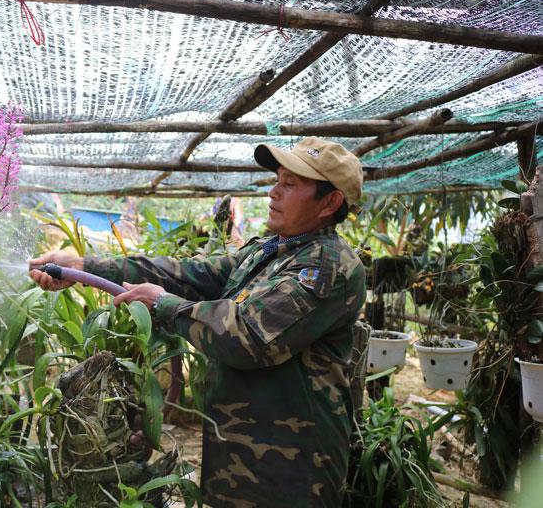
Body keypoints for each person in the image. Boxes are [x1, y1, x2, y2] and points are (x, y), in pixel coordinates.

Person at [29, 137, 366, 508]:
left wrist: (164, 305)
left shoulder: (326, 266)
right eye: (277, 179)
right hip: (240, 452)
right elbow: (189, 274)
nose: (273, 192)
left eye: (289, 184)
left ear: (330, 202)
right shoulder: (270, 250)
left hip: (292, 469)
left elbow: (248, 336)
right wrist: (84, 267)